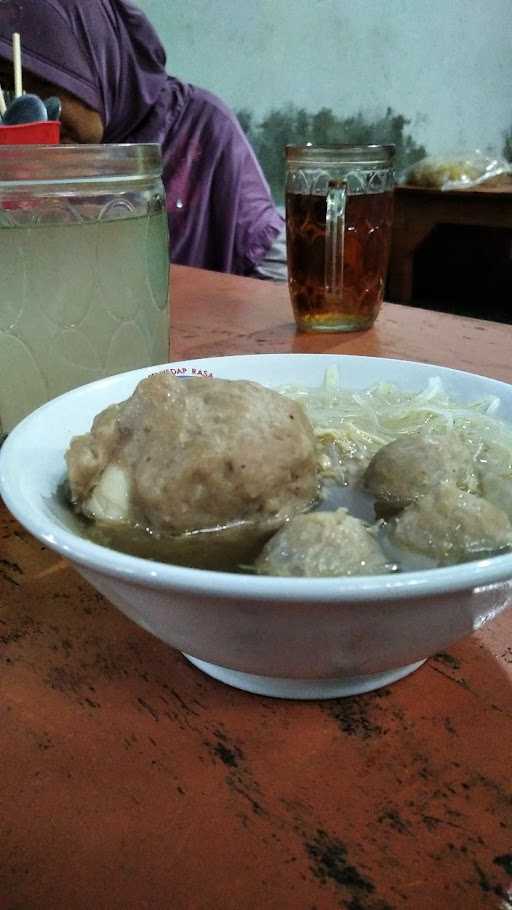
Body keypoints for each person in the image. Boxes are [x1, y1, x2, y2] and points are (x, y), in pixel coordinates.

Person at [0, 0, 286, 278]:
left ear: (99, 63)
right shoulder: (25, 160)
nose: (37, 117)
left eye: (49, 87)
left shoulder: (202, 128)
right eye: (14, 94)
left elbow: (277, 269)